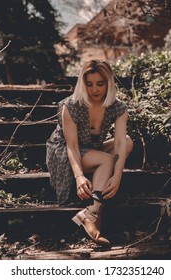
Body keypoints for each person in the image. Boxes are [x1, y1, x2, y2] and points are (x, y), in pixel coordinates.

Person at [46, 59, 133, 245]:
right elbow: (72, 146)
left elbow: (119, 143)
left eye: (100, 84)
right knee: (106, 160)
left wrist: (117, 176)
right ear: (82, 84)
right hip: (64, 151)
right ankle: (92, 213)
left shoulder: (117, 107)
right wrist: (78, 177)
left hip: (91, 149)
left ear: (109, 83)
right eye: (89, 84)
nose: (95, 90)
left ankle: (92, 207)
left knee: (127, 142)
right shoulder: (71, 106)